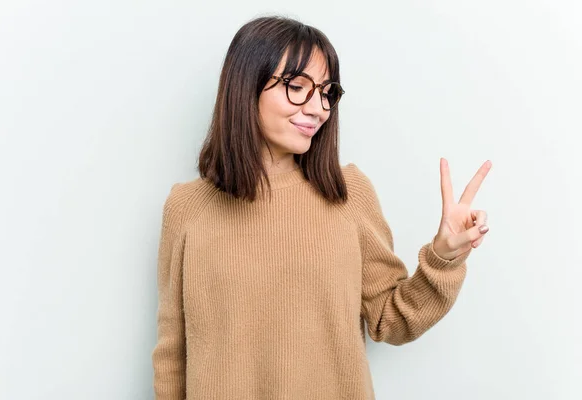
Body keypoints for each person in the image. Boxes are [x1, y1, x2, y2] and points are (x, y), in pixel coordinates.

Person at [151, 15, 491, 400]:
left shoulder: (348, 194)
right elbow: (172, 355)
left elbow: (389, 319)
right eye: (297, 87)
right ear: (245, 86)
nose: (318, 109)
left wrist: (443, 258)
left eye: (327, 92)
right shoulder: (186, 207)